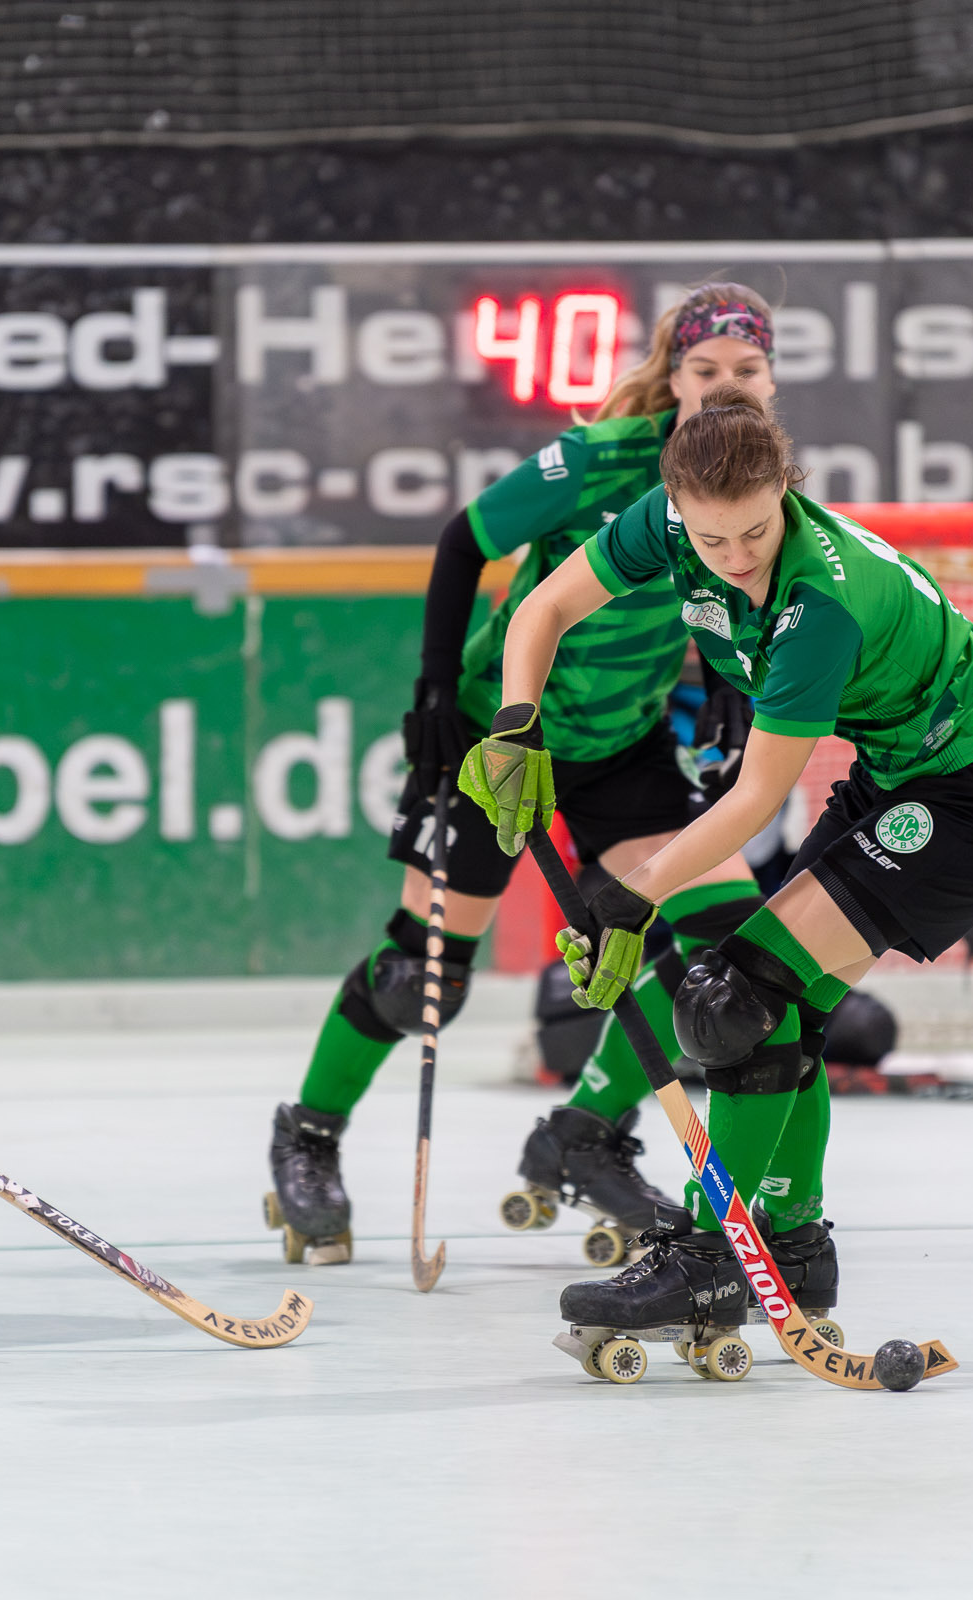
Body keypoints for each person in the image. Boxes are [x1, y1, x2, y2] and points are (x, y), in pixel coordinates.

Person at [462, 383, 973, 1339]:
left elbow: (751, 800)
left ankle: (709, 1261)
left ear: (785, 488)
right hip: (899, 777)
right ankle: (793, 1248)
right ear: (676, 508)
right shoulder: (668, 520)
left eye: (755, 531)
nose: (736, 557)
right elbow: (543, 608)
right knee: (778, 1015)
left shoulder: (817, 605)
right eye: (713, 540)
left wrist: (631, 896)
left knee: (731, 995)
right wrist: (516, 725)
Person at [264, 282, 794, 1269]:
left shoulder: (759, 480)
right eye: (706, 368)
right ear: (673, 375)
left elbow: (729, 593)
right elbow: (465, 539)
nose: (727, 385)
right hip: (504, 733)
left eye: (747, 369)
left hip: (624, 743)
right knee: (423, 975)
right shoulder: (601, 460)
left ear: (772, 381)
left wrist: (729, 685)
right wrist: (436, 689)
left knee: (727, 959)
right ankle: (309, 1135)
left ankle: (583, 1135)